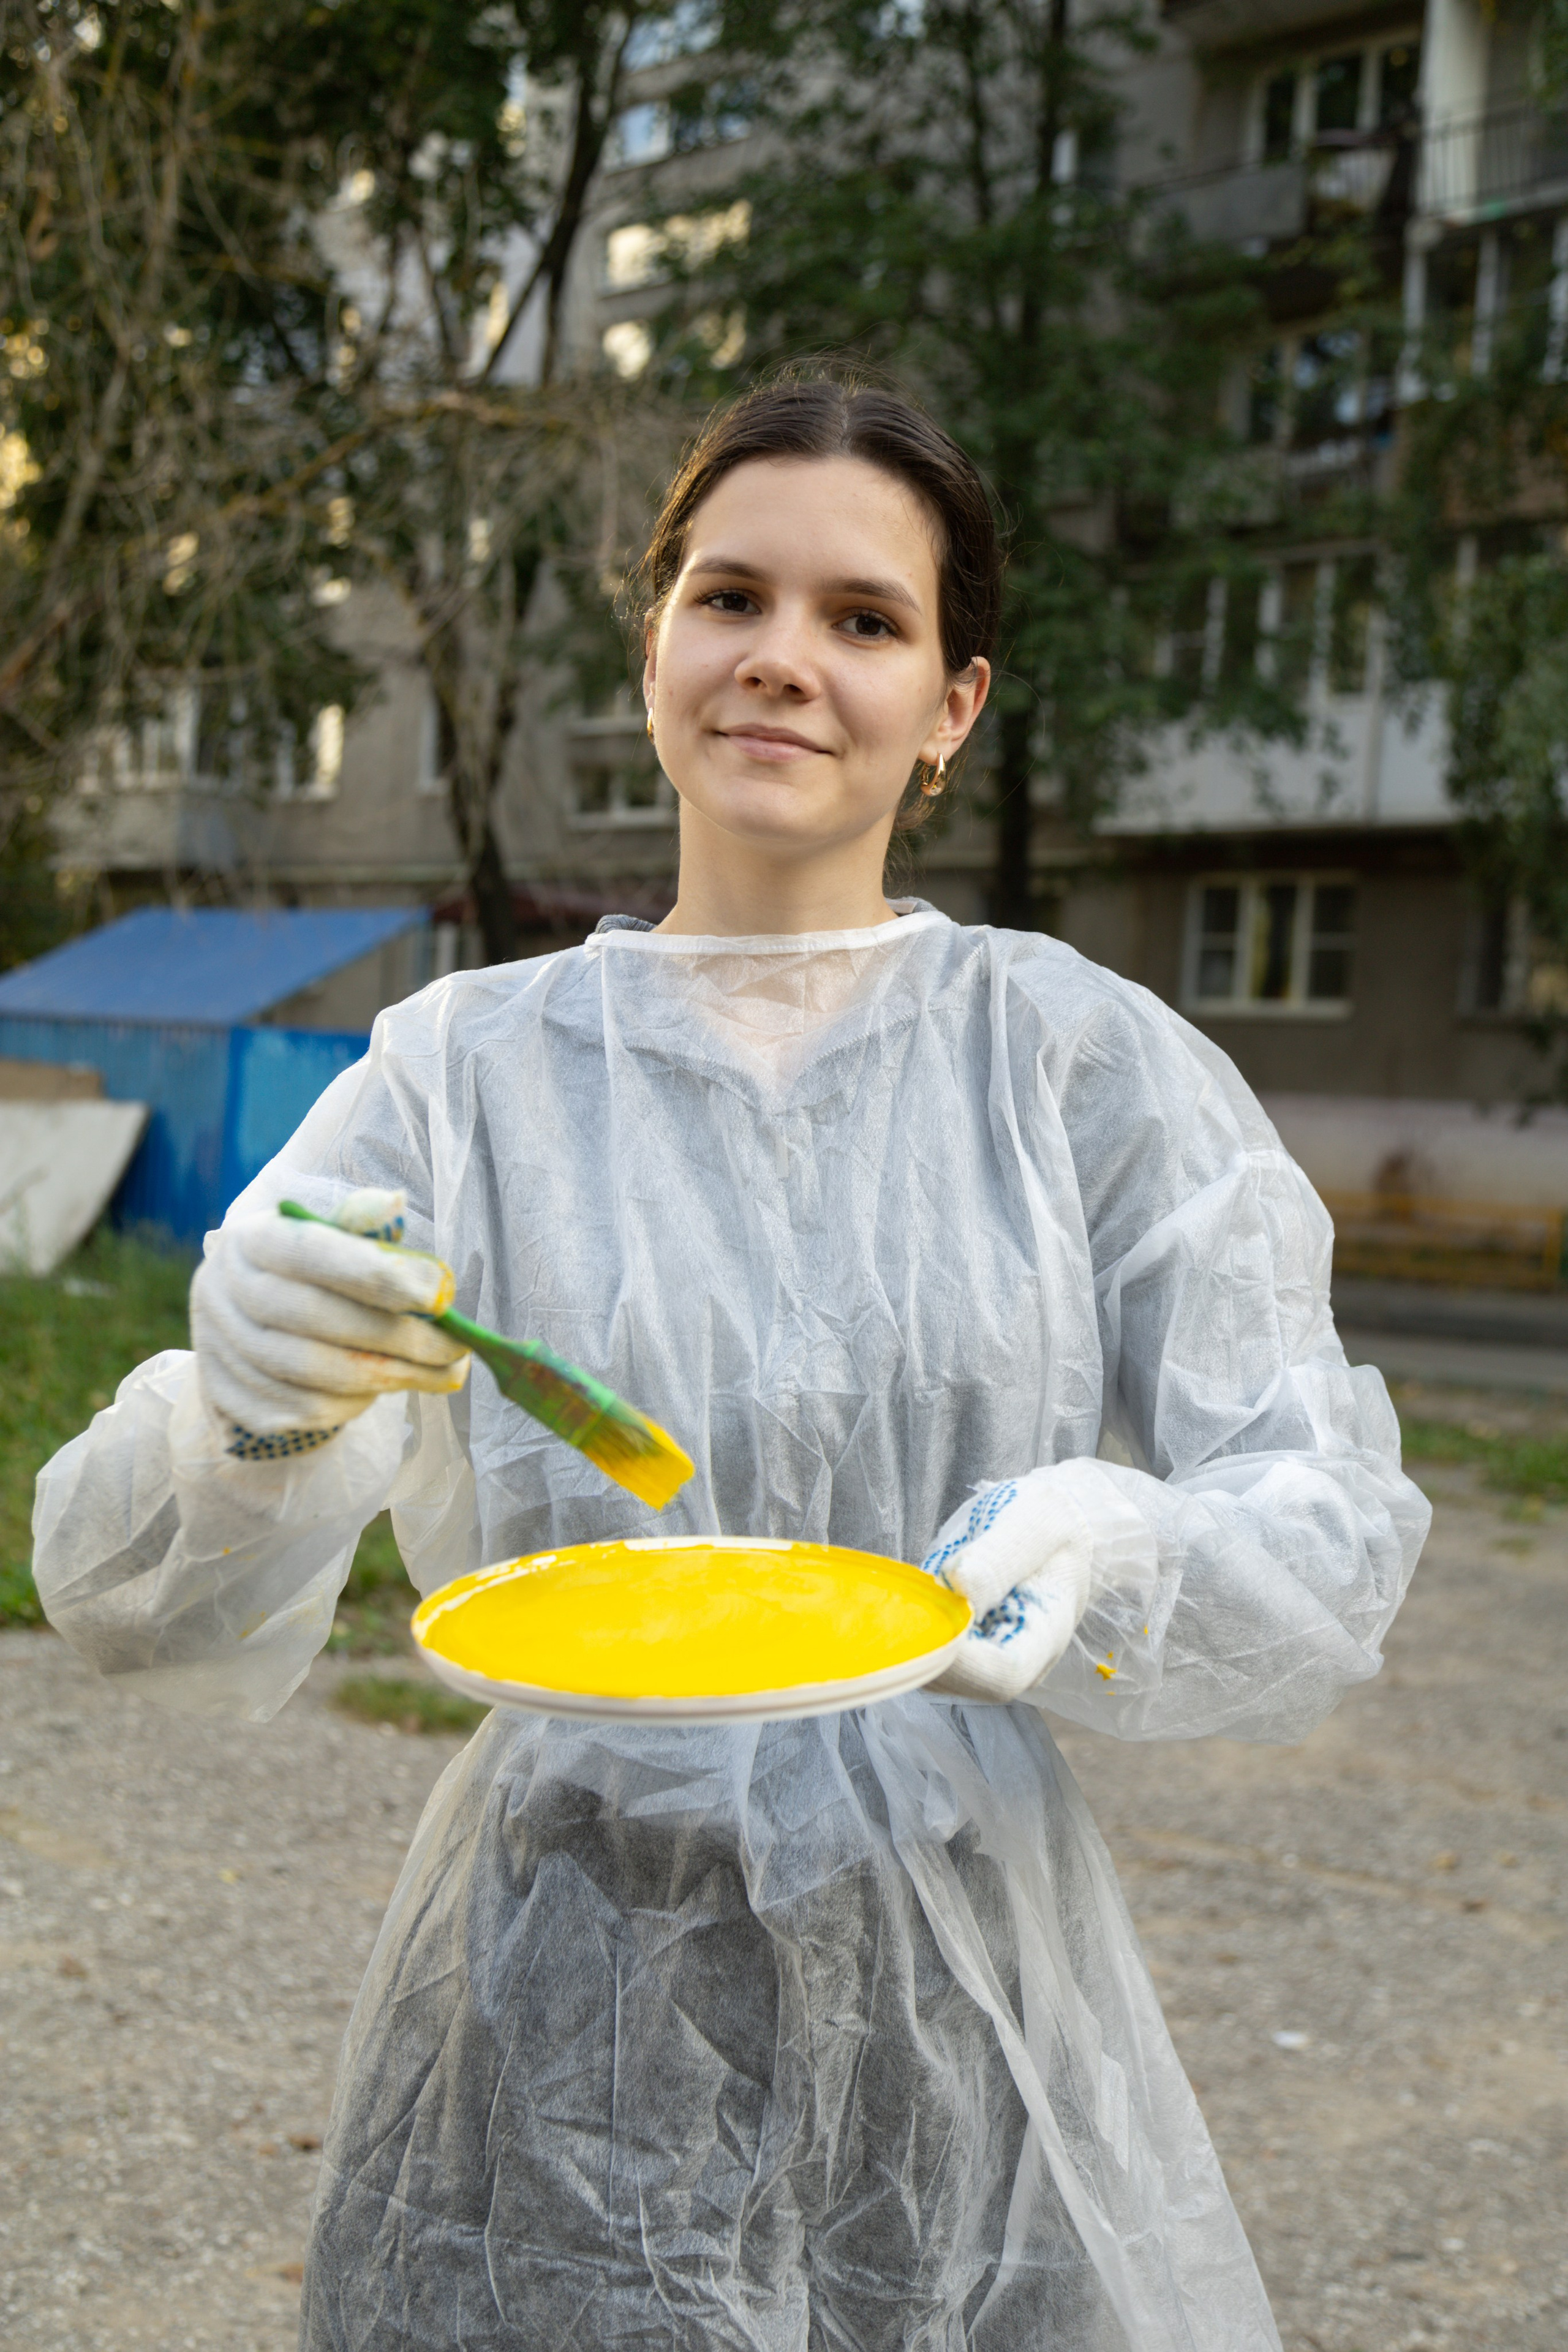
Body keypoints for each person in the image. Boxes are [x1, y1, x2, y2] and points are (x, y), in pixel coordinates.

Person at [34, 372, 1430, 2352]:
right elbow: (128, 1605)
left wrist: (1129, 1543)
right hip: (557, 1986)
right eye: (730, 597)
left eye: (865, 621)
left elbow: (1324, 1519)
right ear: (658, 642)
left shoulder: (1076, 1059)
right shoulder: (463, 1072)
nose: (784, 660)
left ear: (952, 707)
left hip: (962, 1978)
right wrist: (249, 1411)